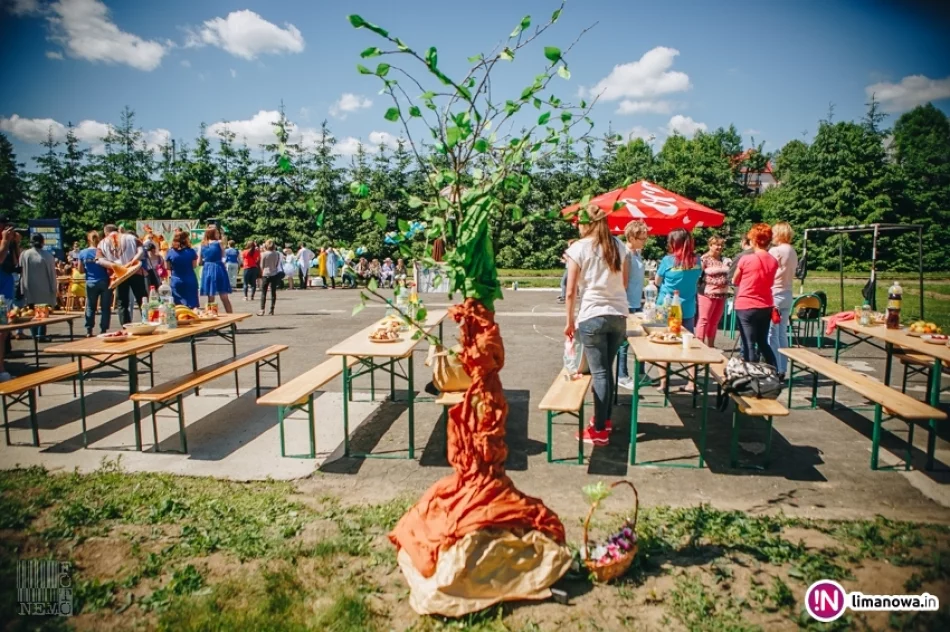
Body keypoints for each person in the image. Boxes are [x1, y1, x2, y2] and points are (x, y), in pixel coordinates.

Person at [564, 206, 629, 447]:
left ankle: (599, 430)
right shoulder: (618, 245)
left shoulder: (578, 248)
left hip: (593, 315)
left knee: (599, 373)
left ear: (585, 223)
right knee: (606, 371)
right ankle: (605, 420)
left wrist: (569, 321)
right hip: (618, 315)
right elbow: (623, 282)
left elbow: (570, 291)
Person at [655, 228, 702, 392]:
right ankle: (692, 381)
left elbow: (657, 280)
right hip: (687, 306)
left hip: (666, 305)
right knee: (688, 344)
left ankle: (663, 382)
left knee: (663, 342)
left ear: (673, 243)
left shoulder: (668, 261)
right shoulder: (697, 260)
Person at [733, 223, 779, 368]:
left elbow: (735, 280)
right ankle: (775, 372)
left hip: (746, 305)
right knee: (763, 342)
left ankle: (752, 376)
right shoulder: (773, 261)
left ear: (753, 240)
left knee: (748, 343)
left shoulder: (746, 259)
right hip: (765, 305)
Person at [617, 221, 650, 391]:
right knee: (624, 342)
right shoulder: (626, 255)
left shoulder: (637, 253)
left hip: (637, 302)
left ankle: (640, 372)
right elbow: (623, 283)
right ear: (631, 237)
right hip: (628, 303)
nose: (645, 241)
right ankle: (622, 375)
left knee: (639, 339)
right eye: (642, 238)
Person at [98, 224, 146, 325]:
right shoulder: (131, 237)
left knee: (122, 303)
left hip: (119, 275)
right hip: (135, 271)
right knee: (142, 299)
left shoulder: (102, 243)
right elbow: (141, 251)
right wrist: (133, 260)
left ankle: (125, 327)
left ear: (106, 232)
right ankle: (148, 322)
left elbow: (99, 260)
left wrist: (114, 266)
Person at [769, 222, 798, 378]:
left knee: (771, 333)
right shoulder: (793, 251)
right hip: (788, 292)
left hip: (775, 292)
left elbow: (768, 269)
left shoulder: (776, 250)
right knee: (782, 333)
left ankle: (773, 367)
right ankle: (782, 368)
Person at [695, 236, 732, 349]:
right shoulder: (704, 259)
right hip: (707, 293)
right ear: (710, 245)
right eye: (717, 244)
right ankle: (699, 346)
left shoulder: (724, 260)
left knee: (715, 321)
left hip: (722, 294)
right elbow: (698, 276)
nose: (719, 247)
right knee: (704, 319)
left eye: (721, 245)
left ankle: (711, 346)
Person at [19, 233, 57, 342]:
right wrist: (53, 289)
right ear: (42, 242)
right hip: (44, 288)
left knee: (31, 312)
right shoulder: (47, 255)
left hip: (29, 287)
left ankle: (34, 334)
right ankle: (41, 335)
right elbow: (52, 274)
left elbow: (21, 271)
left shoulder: (25, 254)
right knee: (42, 312)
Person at [79, 231, 113, 337]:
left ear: (88, 240)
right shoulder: (103, 252)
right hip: (104, 281)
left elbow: (80, 270)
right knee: (105, 307)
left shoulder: (83, 253)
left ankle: (89, 329)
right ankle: (103, 329)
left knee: (90, 307)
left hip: (90, 282)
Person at [0, 218, 18, 381]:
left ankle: (1, 367)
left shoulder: (7, 243)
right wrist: (5, 241)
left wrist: (14, 244)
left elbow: (15, 263)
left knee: (3, 332)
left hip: (5, 294)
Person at [165, 231, 199, 308]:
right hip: (190, 280)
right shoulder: (191, 252)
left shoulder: (170, 252)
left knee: (178, 307)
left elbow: (167, 267)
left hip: (176, 280)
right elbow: (194, 266)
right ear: (185, 240)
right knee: (192, 306)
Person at [259, 240, 282, 316]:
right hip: (274, 273)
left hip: (266, 273)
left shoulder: (264, 254)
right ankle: (272, 309)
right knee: (273, 292)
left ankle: (262, 309)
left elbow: (262, 265)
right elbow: (276, 264)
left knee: (263, 292)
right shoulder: (277, 254)